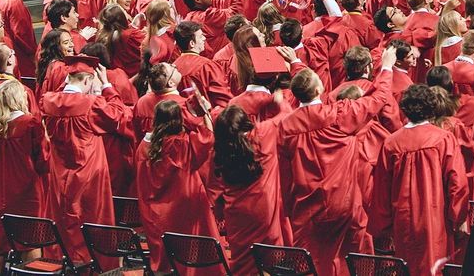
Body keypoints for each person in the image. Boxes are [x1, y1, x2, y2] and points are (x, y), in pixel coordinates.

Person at [276, 45, 397, 276]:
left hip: (306, 204)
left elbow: (285, 172)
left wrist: (289, 207)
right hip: (345, 202)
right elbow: (380, 97)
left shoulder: (286, 126)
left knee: (312, 264)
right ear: (320, 89)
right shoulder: (339, 114)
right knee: (355, 260)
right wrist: (388, 66)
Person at [369, 84, 469, 276]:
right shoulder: (443, 139)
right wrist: (458, 217)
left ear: (404, 108)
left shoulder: (391, 143)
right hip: (436, 218)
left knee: (407, 267)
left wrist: (385, 225)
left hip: (403, 219)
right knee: (436, 267)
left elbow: (382, 189)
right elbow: (457, 182)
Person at [40, 56, 131, 264]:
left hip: (60, 172)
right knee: (93, 220)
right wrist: (107, 86)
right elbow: (118, 117)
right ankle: (96, 265)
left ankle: (63, 262)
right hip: (89, 172)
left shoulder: (48, 100)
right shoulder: (91, 103)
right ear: (89, 80)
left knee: (62, 218)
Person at [212, 100, 296, 276]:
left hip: (236, 214)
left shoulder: (219, 148)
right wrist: (277, 100)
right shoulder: (262, 135)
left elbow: (214, 187)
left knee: (243, 263)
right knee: (269, 261)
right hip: (264, 210)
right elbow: (286, 115)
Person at [136, 96, 218, 275]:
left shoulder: (144, 146)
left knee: (166, 262)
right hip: (184, 209)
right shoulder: (183, 143)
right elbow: (209, 138)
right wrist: (202, 114)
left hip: (154, 213)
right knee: (188, 255)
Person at [0, 80, 47, 269]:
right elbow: (43, 160)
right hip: (28, 194)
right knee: (30, 242)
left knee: (0, 244)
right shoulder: (31, 123)